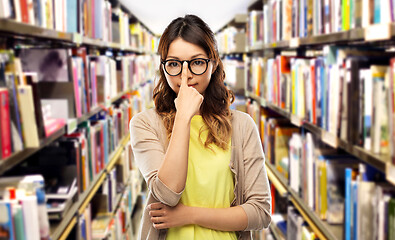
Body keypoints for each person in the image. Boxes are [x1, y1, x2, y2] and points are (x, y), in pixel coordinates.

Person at [129, 14, 271, 240]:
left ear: (213, 64)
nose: (185, 76)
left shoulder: (243, 126)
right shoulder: (145, 124)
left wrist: (188, 215)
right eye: (174, 64)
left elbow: (260, 212)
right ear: (163, 68)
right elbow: (167, 193)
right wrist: (184, 116)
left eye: (196, 62)